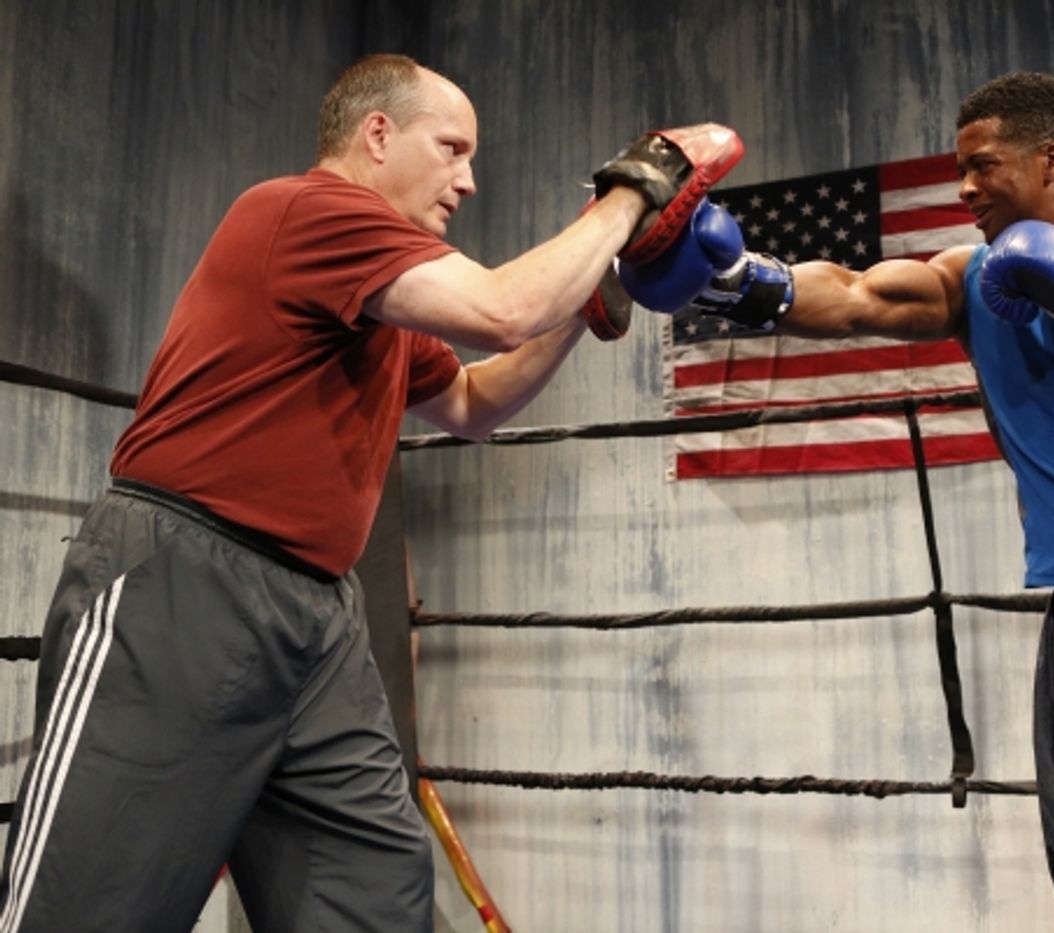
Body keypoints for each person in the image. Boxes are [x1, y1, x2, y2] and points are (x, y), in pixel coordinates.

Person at [0, 52, 739, 932]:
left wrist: (596, 293)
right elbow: (504, 306)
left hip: (316, 619)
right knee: (88, 905)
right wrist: (635, 193)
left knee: (370, 896)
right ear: (378, 135)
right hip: (186, 586)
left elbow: (471, 401)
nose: (468, 181)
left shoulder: (384, 298)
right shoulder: (307, 210)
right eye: (453, 148)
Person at [621, 71, 1054, 933]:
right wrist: (744, 279)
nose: (963, 186)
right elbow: (857, 297)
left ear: (1053, 160)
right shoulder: (974, 280)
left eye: (982, 166)